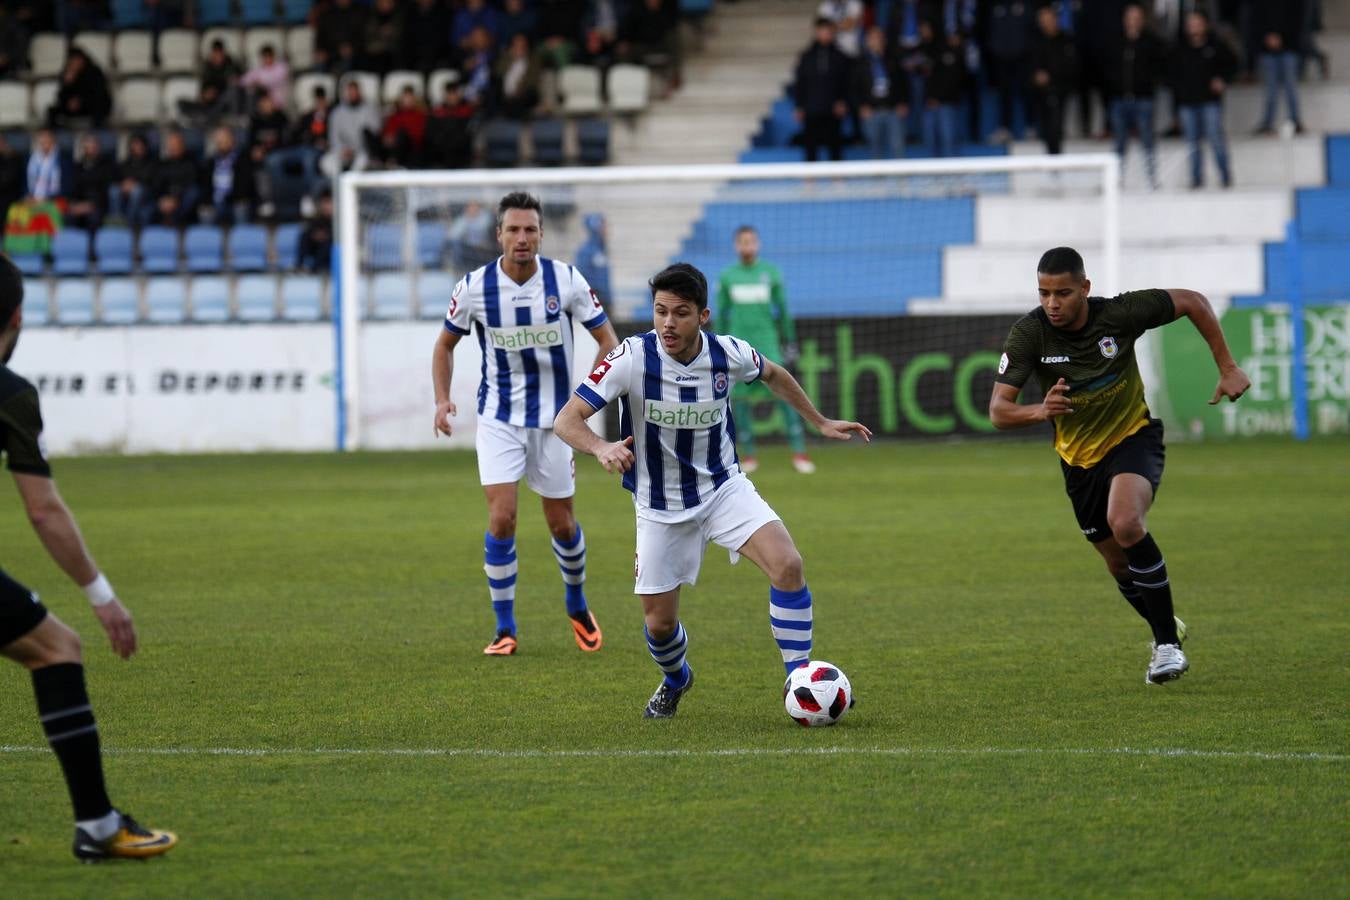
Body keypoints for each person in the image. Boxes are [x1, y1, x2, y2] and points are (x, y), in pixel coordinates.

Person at [553, 263, 871, 718]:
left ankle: (799, 681)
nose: (667, 323)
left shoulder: (727, 353)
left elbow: (775, 374)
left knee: (788, 565)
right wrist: (600, 447)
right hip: (659, 504)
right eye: (660, 311)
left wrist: (819, 421)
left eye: (680, 313)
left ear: (703, 316)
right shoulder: (630, 358)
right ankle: (676, 678)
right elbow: (567, 420)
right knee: (659, 626)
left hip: (724, 489)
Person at [988, 247, 1251, 685]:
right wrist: (1040, 411)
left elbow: (1192, 301)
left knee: (1126, 522)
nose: (1052, 303)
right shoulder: (1028, 335)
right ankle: (1166, 623)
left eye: (1063, 293)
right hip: (1077, 460)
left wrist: (1227, 366)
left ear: (1085, 289)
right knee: (1118, 565)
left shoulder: (1121, 314)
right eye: (1044, 292)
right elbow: (998, 411)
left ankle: (1166, 645)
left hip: (1133, 437)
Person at [0, 256, 178, 861]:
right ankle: (98, 826)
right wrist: (104, 598)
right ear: (17, 317)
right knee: (57, 649)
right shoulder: (11, 395)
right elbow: (43, 511)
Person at [432, 192, 619, 656]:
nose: (521, 238)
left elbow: (608, 342)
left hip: (556, 424)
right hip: (498, 418)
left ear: (541, 234)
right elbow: (444, 347)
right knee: (502, 517)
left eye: (529, 229)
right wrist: (441, 399)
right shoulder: (474, 287)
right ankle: (504, 628)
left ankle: (576, 605)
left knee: (561, 525)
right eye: (512, 230)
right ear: (498, 235)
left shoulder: (567, 280)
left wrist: (586, 403)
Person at [715, 225, 813, 475]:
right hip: (738, 347)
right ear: (736, 245)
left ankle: (799, 452)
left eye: (751, 241)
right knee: (739, 401)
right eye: (742, 242)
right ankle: (748, 455)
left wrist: (789, 341)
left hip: (768, 345)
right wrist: (717, 343)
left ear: (757, 244)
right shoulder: (728, 276)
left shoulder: (770, 273)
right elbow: (722, 315)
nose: (747, 246)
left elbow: (782, 311)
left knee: (785, 395)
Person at [1172, 11, 1236, 189]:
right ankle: (1196, 179)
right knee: (1191, 144)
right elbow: (1171, 74)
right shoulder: (1180, 49)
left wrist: (1223, 79)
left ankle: (1225, 176)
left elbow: (1233, 65)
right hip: (1188, 103)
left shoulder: (1215, 46)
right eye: (1191, 23)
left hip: (1210, 102)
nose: (1194, 27)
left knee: (1216, 139)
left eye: (1198, 23)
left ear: (1205, 25)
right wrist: (1180, 93)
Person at [1105, 4, 1167, 189]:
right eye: (1130, 17)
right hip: (1119, 99)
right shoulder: (1115, 42)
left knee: (1147, 141)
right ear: (1125, 20)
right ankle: (1115, 180)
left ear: (1142, 20)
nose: (1133, 21)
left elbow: (1159, 67)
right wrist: (1114, 86)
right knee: (1119, 143)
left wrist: (1148, 83)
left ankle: (1151, 178)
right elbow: (1106, 68)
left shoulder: (1151, 42)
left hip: (1143, 99)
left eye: (1137, 17)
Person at [792, 18, 852, 163]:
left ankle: (837, 179)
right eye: (822, 31)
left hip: (833, 108)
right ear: (816, 32)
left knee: (835, 144)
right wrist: (799, 106)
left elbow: (847, 82)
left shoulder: (840, 56)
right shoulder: (806, 57)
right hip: (811, 108)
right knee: (810, 145)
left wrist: (843, 101)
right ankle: (810, 180)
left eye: (829, 32)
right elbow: (800, 83)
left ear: (833, 33)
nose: (825, 35)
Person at [851, 25, 909, 160]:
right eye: (872, 38)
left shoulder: (894, 59)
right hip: (871, 111)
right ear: (867, 41)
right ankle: (878, 181)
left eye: (879, 38)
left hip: (893, 109)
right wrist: (861, 106)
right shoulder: (860, 62)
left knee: (898, 147)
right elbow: (853, 88)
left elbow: (904, 83)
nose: (876, 41)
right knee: (875, 149)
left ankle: (900, 181)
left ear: (884, 40)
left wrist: (903, 102)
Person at [1029, 4, 1079, 156]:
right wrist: (1035, 76)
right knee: (1045, 126)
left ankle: (1055, 158)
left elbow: (1073, 66)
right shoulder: (1035, 41)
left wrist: (1051, 76)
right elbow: (1029, 65)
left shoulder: (1067, 41)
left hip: (1060, 89)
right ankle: (1051, 159)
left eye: (1049, 19)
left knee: (1055, 125)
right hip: (1039, 92)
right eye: (1043, 20)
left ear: (1056, 19)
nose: (1046, 23)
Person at [1252, 0, 1305, 136]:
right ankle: (1268, 123)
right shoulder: (1260, 4)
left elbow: (1298, 20)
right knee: (1271, 89)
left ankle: (1295, 120)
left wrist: (1283, 38)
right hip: (1267, 50)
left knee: (1290, 86)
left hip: (1289, 48)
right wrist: (1267, 37)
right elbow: (1256, 20)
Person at [47, 46, 112, 129]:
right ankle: (56, 134)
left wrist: (81, 101)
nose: (75, 63)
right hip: (73, 107)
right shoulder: (67, 74)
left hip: (90, 104)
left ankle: (97, 132)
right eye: (72, 60)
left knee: (99, 107)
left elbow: (99, 93)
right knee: (52, 111)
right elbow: (60, 96)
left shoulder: (94, 72)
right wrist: (67, 84)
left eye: (77, 60)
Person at [574, 212, 610, 303]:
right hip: (593, 300)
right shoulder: (585, 251)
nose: (606, 230)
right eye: (603, 227)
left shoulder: (602, 250)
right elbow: (581, 277)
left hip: (604, 300)